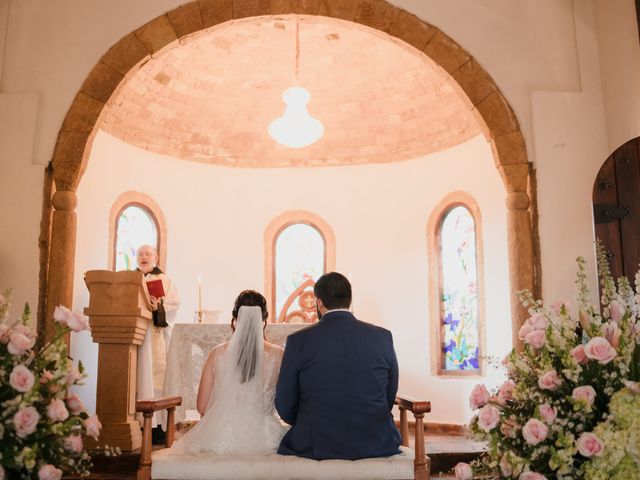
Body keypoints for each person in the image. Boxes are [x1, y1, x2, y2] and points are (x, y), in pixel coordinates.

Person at [275, 272, 402, 460]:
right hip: (376, 440)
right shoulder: (382, 337)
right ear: (349, 300)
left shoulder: (298, 341)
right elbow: (389, 394)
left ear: (318, 302)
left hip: (315, 441)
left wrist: (307, 421)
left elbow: (285, 403)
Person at [170, 290, 287, 455]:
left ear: (234, 320)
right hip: (264, 435)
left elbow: (202, 407)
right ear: (264, 320)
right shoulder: (278, 354)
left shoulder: (216, 353)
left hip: (220, 435)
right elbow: (286, 404)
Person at [135, 244, 180, 439]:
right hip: (133, 335)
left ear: (156, 258)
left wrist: (157, 306)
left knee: (154, 377)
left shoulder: (164, 280)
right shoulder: (130, 280)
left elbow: (174, 305)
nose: (144, 257)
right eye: (140, 254)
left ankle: (157, 427)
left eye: (148, 254)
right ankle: (135, 424)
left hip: (154, 335)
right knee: (136, 377)